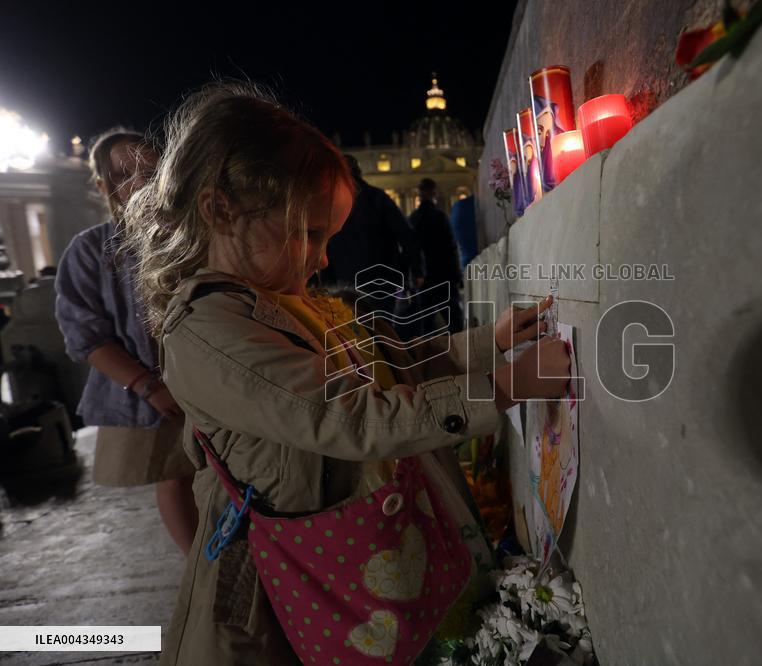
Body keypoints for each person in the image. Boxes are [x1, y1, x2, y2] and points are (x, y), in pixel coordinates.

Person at [121, 81, 569, 665]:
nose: (324, 257)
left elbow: (392, 367)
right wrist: (505, 387)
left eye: (328, 237)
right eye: (308, 233)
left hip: (351, 560)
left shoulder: (284, 297)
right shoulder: (206, 330)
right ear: (219, 209)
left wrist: (493, 343)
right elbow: (348, 416)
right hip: (283, 586)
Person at [54, 128, 198, 553]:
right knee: (174, 477)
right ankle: (199, 569)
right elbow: (85, 335)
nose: (141, 182)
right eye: (124, 173)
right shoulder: (90, 250)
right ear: (104, 186)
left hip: (207, 381)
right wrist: (147, 385)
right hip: (156, 392)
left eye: (151, 170)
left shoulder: (192, 237)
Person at [319, 154, 423, 292]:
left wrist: (325, 278)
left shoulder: (329, 202)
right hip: (382, 277)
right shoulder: (378, 198)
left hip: (344, 280)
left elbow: (322, 242)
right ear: (359, 172)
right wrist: (415, 270)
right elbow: (407, 236)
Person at [409, 178, 464, 335]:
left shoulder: (413, 218)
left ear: (419, 195)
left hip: (423, 280)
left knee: (427, 327)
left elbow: (409, 251)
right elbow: (451, 248)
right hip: (444, 276)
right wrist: (457, 275)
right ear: (435, 194)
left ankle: (430, 351)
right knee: (455, 323)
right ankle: (458, 349)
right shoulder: (440, 217)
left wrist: (413, 277)